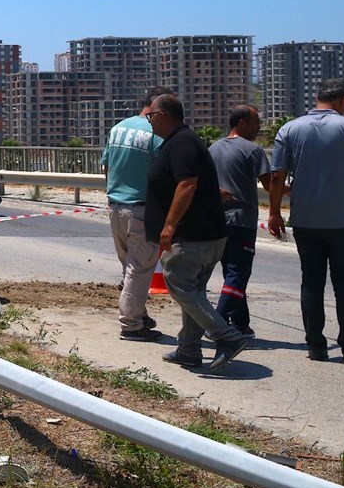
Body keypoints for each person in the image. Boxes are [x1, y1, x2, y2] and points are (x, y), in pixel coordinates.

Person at [268, 80, 344, 365]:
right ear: (343, 100)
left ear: (317, 98)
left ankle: (316, 347)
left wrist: (274, 212)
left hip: (306, 221)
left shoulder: (290, 129)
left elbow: (276, 176)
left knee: (311, 283)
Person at [145, 94, 248, 370]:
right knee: (194, 290)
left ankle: (226, 336)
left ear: (163, 115)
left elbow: (187, 184)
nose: (150, 121)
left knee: (179, 285)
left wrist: (169, 225)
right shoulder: (182, 142)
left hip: (192, 235)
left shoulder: (182, 143)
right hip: (205, 233)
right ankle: (189, 349)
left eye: (150, 116)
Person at [100, 86, 175, 341]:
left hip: (116, 206)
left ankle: (138, 314)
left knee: (130, 267)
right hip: (142, 209)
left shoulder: (118, 128)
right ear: (158, 107)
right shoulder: (157, 133)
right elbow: (165, 176)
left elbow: (107, 167)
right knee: (139, 268)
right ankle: (131, 325)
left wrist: (112, 196)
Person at [208, 105, 272, 337]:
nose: (259, 128)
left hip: (217, 219)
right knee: (238, 273)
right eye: (256, 123)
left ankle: (241, 324)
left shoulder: (213, 148)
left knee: (231, 273)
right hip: (241, 221)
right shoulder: (252, 150)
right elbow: (270, 185)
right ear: (243, 123)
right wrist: (297, 189)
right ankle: (218, 322)